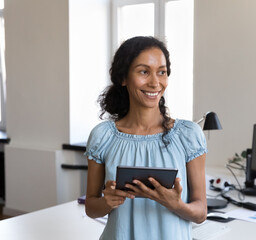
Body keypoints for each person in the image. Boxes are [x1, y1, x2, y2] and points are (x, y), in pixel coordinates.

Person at [84, 36, 207, 240]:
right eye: (143, 72)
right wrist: (107, 201)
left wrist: (176, 204)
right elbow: (91, 207)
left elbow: (201, 212)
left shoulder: (189, 135)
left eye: (162, 72)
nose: (155, 82)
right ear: (123, 78)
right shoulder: (102, 136)